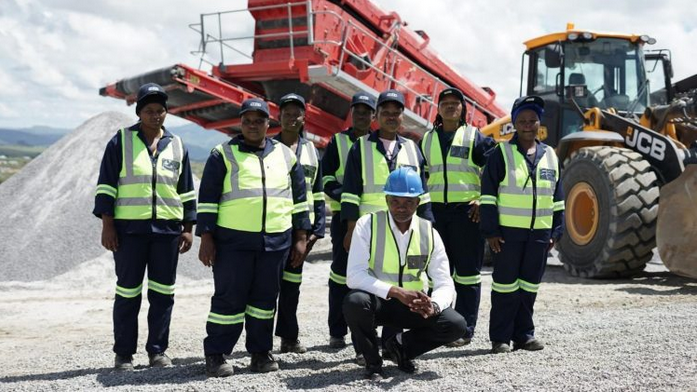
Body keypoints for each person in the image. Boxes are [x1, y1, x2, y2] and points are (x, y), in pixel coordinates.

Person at [197, 98, 311, 377]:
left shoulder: (285, 155)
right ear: (240, 122)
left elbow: (299, 200)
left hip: (275, 241)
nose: (252, 125)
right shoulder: (222, 153)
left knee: (264, 300)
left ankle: (260, 353)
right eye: (247, 120)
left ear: (268, 122)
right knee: (229, 299)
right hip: (233, 241)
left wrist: (300, 237)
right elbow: (208, 200)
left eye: (258, 120)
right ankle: (216, 354)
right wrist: (206, 238)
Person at [93, 82, 196, 371]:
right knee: (128, 293)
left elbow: (186, 190)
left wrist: (188, 227)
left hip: (167, 232)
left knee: (163, 294)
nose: (155, 115)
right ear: (139, 113)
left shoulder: (176, 145)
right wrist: (107, 225)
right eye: (149, 110)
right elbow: (106, 186)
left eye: (160, 110)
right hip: (129, 233)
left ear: (166, 113)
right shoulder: (121, 141)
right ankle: (124, 354)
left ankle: (157, 352)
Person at [343, 167, 467, 380]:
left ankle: (400, 348)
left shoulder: (429, 232)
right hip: (379, 302)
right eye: (395, 201)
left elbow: (445, 282)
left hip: (414, 306)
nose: (402, 208)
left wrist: (434, 305)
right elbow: (354, 275)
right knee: (354, 302)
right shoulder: (368, 224)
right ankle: (373, 363)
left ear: (418, 202)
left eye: (409, 202)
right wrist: (396, 292)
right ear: (387, 200)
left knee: (456, 325)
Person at [340, 88, 434, 359]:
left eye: (396, 113)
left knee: (398, 280)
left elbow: (422, 193)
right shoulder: (361, 147)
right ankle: (364, 349)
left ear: (402, 117)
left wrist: (426, 227)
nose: (391, 117)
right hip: (369, 230)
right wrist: (349, 228)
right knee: (366, 288)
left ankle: (393, 346)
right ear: (376, 116)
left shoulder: (413, 149)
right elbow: (350, 192)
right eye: (386, 113)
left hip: (404, 228)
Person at [479, 95, 565, 354]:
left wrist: (556, 231)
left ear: (539, 123)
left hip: (539, 234)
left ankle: (524, 336)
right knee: (505, 286)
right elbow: (487, 196)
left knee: (529, 286)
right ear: (514, 123)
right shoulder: (500, 153)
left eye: (533, 120)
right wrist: (491, 232)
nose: (528, 124)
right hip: (507, 235)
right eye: (522, 120)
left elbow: (558, 198)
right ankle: (500, 338)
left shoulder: (550, 155)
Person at [420, 87, 496, 347]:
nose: (451, 106)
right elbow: (421, 176)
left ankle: (465, 329)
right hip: (436, 214)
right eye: (445, 103)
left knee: (468, 275)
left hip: (467, 213)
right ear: (438, 109)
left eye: (456, 103)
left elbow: (494, 169)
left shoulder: (475, 137)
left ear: (463, 109)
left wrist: (483, 199)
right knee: (439, 274)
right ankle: (441, 325)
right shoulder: (427, 140)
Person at [322, 92, 375, 357]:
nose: (362, 116)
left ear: (373, 116)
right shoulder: (338, 142)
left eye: (367, 112)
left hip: (371, 219)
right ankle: (336, 331)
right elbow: (326, 177)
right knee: (340, 274)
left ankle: (366, 333)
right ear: (351, 114)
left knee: (369, 276)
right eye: (358, 111)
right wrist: (348, 195)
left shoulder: (378, 144)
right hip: (345, 219)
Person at [273, 93, 325, 354]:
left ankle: (288, 338)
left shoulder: (312, 150)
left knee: (292, 286)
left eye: (297, 114)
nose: (292, 118)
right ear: (279, 117)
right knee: (268, 286)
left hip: (302, 231)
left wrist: (317, 230)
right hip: (276, 227)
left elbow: (317, 190)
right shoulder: (269, 147)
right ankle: (260, 342)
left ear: (304, 118)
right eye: (287, 113)